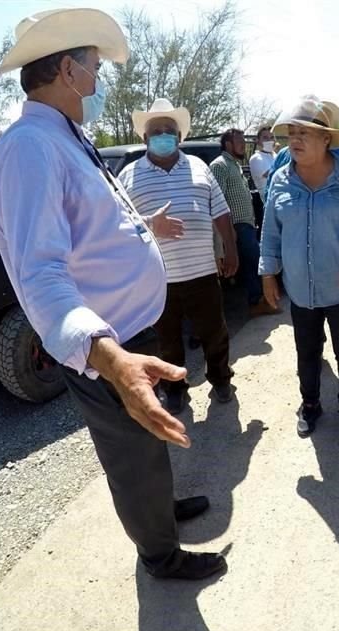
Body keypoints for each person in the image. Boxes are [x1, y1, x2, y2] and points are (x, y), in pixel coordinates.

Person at [0, 8, 226, 582]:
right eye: (94, 68)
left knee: (148, 442)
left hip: (128, 332)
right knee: (131, 453)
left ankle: (160, 515)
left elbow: (87, 231)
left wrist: (143, 225)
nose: (99, 81)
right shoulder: (30, 148)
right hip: (107, 347)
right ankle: (160, 556)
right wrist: (110, 357)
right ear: (68, 70)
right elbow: (40, 273)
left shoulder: (64, 138)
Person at [259, 97, 339, 438]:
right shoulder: (280, 180)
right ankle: (311, 404)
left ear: (326, 140)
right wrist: (268, 274)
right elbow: (271, 233)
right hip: (300, 290)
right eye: (292, 133)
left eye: (305, 133)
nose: (296, 140)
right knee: (307, 352)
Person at [120, 99, 239, 413]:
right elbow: (117, 225)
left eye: (169, 130)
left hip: (202, 272)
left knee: (215, 332)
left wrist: (230, 249)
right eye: (156, 131)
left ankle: (221, 378)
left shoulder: (199, 167)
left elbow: (222, 213)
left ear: (179, 137)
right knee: (168, 341)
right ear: (145, 138)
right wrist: (149, 224)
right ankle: (175, 388)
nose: (163, 134)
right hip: (159, 279)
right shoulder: (128, 176)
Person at [211, 128, 278, 318]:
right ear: (228, 145)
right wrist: (228, 229)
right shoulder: (220, 165)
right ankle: (258, 300)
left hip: (246, 224)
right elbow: (217, 199)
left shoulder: (235, 165)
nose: (243, 147)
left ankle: (257, 302)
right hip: (236, 226)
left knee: (249, 264)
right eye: (240, 143)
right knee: (255, 260)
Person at [249, 125, 276, 200]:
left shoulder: (275, 155)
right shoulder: (256, 158)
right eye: (265, 138)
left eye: (272, 137)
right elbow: (273, 174)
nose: (269, 140)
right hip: (270, 202)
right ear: (258, 141)